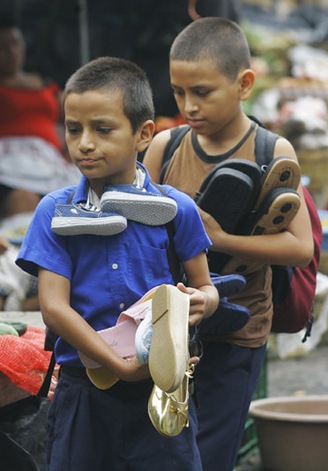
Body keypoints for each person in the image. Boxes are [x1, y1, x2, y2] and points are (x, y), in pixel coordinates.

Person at [15, 56, 219, 471]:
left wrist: (203, 303)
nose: (85, 143)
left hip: (163, 390)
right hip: (82, 393)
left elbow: (207, 288)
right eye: (74, 129)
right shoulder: (55, 211)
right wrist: (117, 366)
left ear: (143, 134)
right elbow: (54, 308)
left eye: (103, 129)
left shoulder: (175, 209)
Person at [143, 17, 314, 471]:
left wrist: (220, 239)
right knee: (166, 448)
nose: (188, 106)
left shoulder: (272, 152)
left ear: (244, 84)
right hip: (169, 329)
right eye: (179, 93)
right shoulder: (166, 145)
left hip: (241, 326)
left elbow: (299, 248)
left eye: (202, 92)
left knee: (212, 452)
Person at [0, 18, 79, 222]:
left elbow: (79, 118)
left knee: (80, 195)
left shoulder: (44, 84)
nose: (11, 52)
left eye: (15, 44)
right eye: (2, 47)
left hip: (51, 161)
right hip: (9, 164)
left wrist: (71, 152)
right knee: (22, 200)